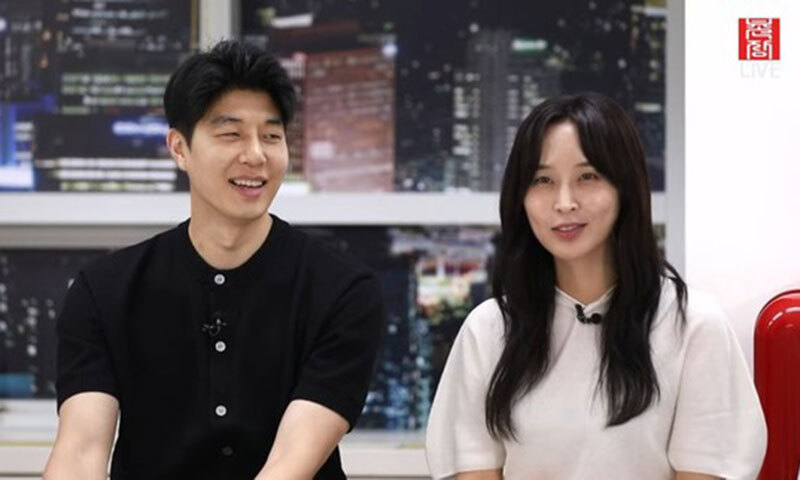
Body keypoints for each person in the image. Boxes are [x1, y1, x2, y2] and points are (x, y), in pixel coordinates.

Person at [43, 40, 385, 480]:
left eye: (272, 136)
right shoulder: (104, 291)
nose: (256, 155)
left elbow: (290, 464)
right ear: (179, 148)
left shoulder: (341, 290)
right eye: (231, 134)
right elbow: (79, 453)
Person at [425, 93, 767, 480]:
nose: (564, 202)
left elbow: (706, 469)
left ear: (625, 188)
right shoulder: (489, 329)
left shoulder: (693, 325)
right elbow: (474, 470)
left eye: (587, 177)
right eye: (542, 180)